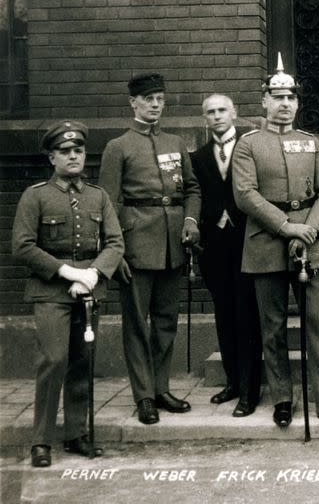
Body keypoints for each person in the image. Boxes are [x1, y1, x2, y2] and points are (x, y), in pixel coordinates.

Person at [231, 54, 319, 428]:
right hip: (266, 241)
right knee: (272, 328)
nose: (284, 104)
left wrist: (311, 230)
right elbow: (245, 194)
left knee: (317, 325)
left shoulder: (311, 142)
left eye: (291, 98)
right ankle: (283, 399)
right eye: (277, 96)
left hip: (311, 241)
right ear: (265, 102)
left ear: (297, 103)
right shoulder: (248, 144)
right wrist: (287, 227)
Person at [12, 121, 124, 467]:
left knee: (82, 363)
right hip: (50, 292)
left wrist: (91, 274)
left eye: (78, 151)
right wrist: (69, 272)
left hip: (89, 289)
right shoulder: (36, 196)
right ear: (52, 157)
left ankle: (77, 434)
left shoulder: (98, 196)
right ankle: (41, 441)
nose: (73, 157)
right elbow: (22, 246)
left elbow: (116, 242)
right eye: (65, 151)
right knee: (54, 360)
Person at [99, 73, 201, 425]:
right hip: (135, 247)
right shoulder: (119, 147)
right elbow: (107, 203)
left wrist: (191, 222)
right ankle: (143, 396)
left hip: (174, 244)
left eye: (160, 98)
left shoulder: (174, 142)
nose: (156, 104)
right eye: (148, 99)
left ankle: (161, 388)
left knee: (165, 322)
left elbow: (192, 190)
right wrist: (116, 253)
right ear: (133, 103)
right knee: (137, 325)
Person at [191, 94, 262, 417]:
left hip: (247, 240)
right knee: (224, 312)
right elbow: (196, 195)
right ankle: (233, 382)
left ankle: (250, 390)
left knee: (247, 314)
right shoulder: (199, 156)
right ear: (205, 119)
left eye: (222, 110)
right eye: (210, 112)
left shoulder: (251, 148)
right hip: (214, 246)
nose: (217, 116)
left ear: (234, 113)